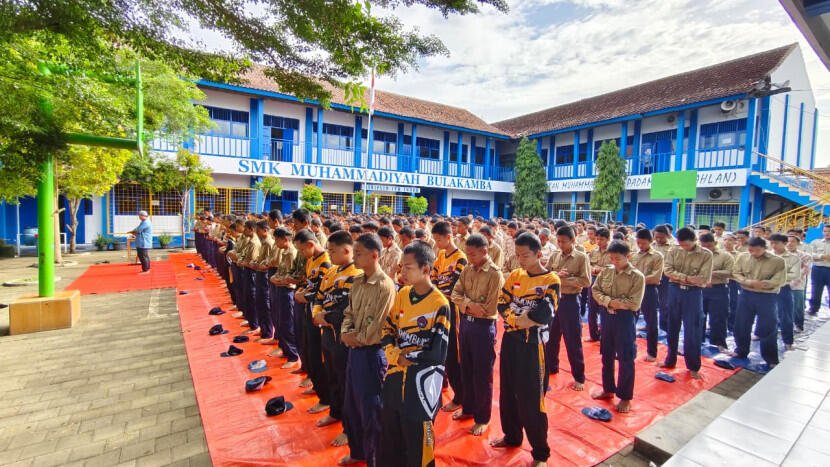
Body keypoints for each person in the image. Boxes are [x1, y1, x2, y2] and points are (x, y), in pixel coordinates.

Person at [378, 242, 450, 467]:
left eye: (408, 268)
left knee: (418, 439)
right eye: (401, 267)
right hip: (395, 377)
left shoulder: (440, 305)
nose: (402, 273)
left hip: (421, 384)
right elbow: (387, 329)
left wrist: (405, 356)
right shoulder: (402, 295)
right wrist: (393, 354)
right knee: (390, 434)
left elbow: (437, 353)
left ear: (426, 269)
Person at [490, 232, 558, 467]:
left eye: (525, 255)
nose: (521, 259)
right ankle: (512, 436)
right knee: (507, 392)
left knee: (532, 400)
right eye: (517, 255)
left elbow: (542, 315)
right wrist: (517, 319)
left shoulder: (552, 281)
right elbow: (501, 302)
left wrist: (517, 319)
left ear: (539, 254)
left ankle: (540, 453)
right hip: (511, 341)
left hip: (533, 346)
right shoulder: (515, 276)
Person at [339, 233, 396, 467]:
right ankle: (358, 451)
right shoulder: (357, 283)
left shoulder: (385, 286)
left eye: (359, 253)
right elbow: (348, 313)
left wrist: (356, 339)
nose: (355, 257)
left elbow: (378, 327)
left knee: (371, 412)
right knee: (351, 406)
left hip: (372, 355)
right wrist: (345, 333)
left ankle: (374, 459)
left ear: (374, 255)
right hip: (354, 352)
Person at [450, 234, 504, 436]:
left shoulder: (495, 274)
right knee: (466, 369)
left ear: (484, 251)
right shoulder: (467, 270)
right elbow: (455, 294)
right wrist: (469, 305)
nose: (469, 258)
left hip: (483, 328)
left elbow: (490, 307)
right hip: (466, 325)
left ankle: (482, 418)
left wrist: (466, 305)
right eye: (467, 254)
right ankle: (468, 408)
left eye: (472, 254)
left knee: (482, 374)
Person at [312, 230, 361, 446]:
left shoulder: (356, 274)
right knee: (331, 375)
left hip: (344, 337)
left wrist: (326, 317)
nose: (329, 254)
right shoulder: (331, 273)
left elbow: (347, 309)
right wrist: (317, 315)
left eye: (332, 251)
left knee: (346, 382)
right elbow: (319, 297)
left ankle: (350, 429)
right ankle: (335, 411)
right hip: (327, 334)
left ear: (346, 250)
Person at [591, 240, 645, 413]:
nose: (614, 261)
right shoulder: (607, 271)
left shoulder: (637, 277)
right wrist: (609, 302)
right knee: (606, 354)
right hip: (607, 318)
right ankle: (608, 389)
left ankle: (625, 396)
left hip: (625, 320)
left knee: (625, 357)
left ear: (628, 257)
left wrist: (611, 303)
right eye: (612, 258)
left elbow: (634, 303)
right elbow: (595, 290)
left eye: (618, 258)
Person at [661, 227, 712, 380]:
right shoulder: (674, 251)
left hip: (693, 294)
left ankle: (693, 366)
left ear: (695, 241)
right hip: (674, 290)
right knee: (672, 326)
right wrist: (688, 278)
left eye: (686, 245)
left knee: (692, 329)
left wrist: (681, 278)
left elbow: (703, 278)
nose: (683, 247)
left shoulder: (705, 254)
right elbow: (668, 270)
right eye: (681, 244)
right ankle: (670, 360)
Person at [545, 225, 590, 390]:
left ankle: (579, 377)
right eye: (558, 241)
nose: (560, 244)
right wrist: (556, 276)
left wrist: (565, 279)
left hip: (570, 301)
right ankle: (551, 366)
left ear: (573, 240)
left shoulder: (581, 258)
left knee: (573, 340)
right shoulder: (555, 255)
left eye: (564, 241)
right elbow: (547, 275)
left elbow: (586, 281)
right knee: (550, 337)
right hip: (554, 300)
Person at [293, 228, 332, 414]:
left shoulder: (326, 262)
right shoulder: (311, 260)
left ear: (310, 244)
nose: (302, 254)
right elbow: (309, 283)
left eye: (302, 250)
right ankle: (318, 386)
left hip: (319, 313)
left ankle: (326, 397)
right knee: (309, 351)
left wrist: (305, 297)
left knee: (318, 355)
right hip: (309, 311)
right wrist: (301, 292)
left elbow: (321, 291)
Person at [430, 221, 468, 413]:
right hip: (440, 306)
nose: (437, 243)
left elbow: (455, 285)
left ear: (448, 236)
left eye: (439, 239)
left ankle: (460, 396)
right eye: (435, 240)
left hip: (454, 310)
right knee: (443, 351)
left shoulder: (461, 258)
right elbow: (434, 277)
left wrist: (439, 292)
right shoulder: (441, 255)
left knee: (454, 353)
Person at [731, 237, 786, 368]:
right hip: (746, 294)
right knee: (741, 324)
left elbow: (780, 280)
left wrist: (764, 285)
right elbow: (736, 273)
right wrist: (749, 282)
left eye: (757, 251)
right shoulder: (743, 257)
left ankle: (771, 358)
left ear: (764, 248)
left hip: (767, 296)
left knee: (768, 327)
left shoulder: (777, 261)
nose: (753, 253)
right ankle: (741, 351)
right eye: (751, 250)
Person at [267, 227, 300, 366]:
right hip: (279, 288)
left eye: (277, 239)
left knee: (287, 324)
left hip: (287, 291)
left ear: (284, 239)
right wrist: (275, 278)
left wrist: (277, 280)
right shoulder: (285, 252)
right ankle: (285, 350)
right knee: (280, 321)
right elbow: (281, 271)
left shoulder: (292, 253)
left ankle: (293, 355)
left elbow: (292, 276)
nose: (275, 242)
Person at [631, 228, 663, 362]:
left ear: (651, 241)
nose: (641, 246)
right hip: (633, 291)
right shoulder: (634, 255)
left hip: (649, 290)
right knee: (630, 321)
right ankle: (630, 350)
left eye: (643, 243)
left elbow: (656, 277)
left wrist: (638, 279)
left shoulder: (657, 256)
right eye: (638, 243)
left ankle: (652, 352)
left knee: (651, 323)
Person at [698, 233, 734, 353]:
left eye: (709, 246)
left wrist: (710, 273)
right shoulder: (697, 255)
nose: (707, 248)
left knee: (718, 317)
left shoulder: (725, 256)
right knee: (698, 316)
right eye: (704, 246)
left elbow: (730, 272)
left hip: (718, 289)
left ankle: (719, 343)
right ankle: (698, 340)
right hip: (700, 288)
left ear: (715, 243)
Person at [770, 233, 800, 351]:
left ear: (784, 243)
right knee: (765, 314)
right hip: (767, 288)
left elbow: (795, 274)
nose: (773, 246)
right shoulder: (767, 255)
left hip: (783, 288)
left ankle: (788, 341)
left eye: (776, 243)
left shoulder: (793, 258)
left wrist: (776, 277)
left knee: (785, 315)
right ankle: (759, 334)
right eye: (771, 243)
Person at [586, 228, 612, 341]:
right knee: (592, 309)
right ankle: (593, 335)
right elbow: (588, 265)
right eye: (597, 239)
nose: (599, 241)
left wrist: (599, 269)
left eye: (601, 239)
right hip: (593, 281)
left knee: (605, 310)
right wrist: (593, 269)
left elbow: (613, 268)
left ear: (608, 239)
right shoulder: (594, 251)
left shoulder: (612, 252)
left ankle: (605, 335)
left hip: (607, 283)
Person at [787, 234, 810, 333]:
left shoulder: (805, 256)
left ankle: (799, 325)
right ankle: (782, 325)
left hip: (797, 285)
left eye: (793, 241)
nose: (790, 243)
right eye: (788, 241)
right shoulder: (780, 255)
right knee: (782, 307)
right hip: (783, 284)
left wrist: (793, 283)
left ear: (798, 243)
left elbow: (804, 270)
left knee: (797, 307)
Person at [808, 224, 830, 317]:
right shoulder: (816, 242)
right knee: (816, 290)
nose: (827, 233)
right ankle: (813, 308)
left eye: (829, 231)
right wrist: (822, 256)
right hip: (818, 270)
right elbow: (809, 254)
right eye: (825, 231)